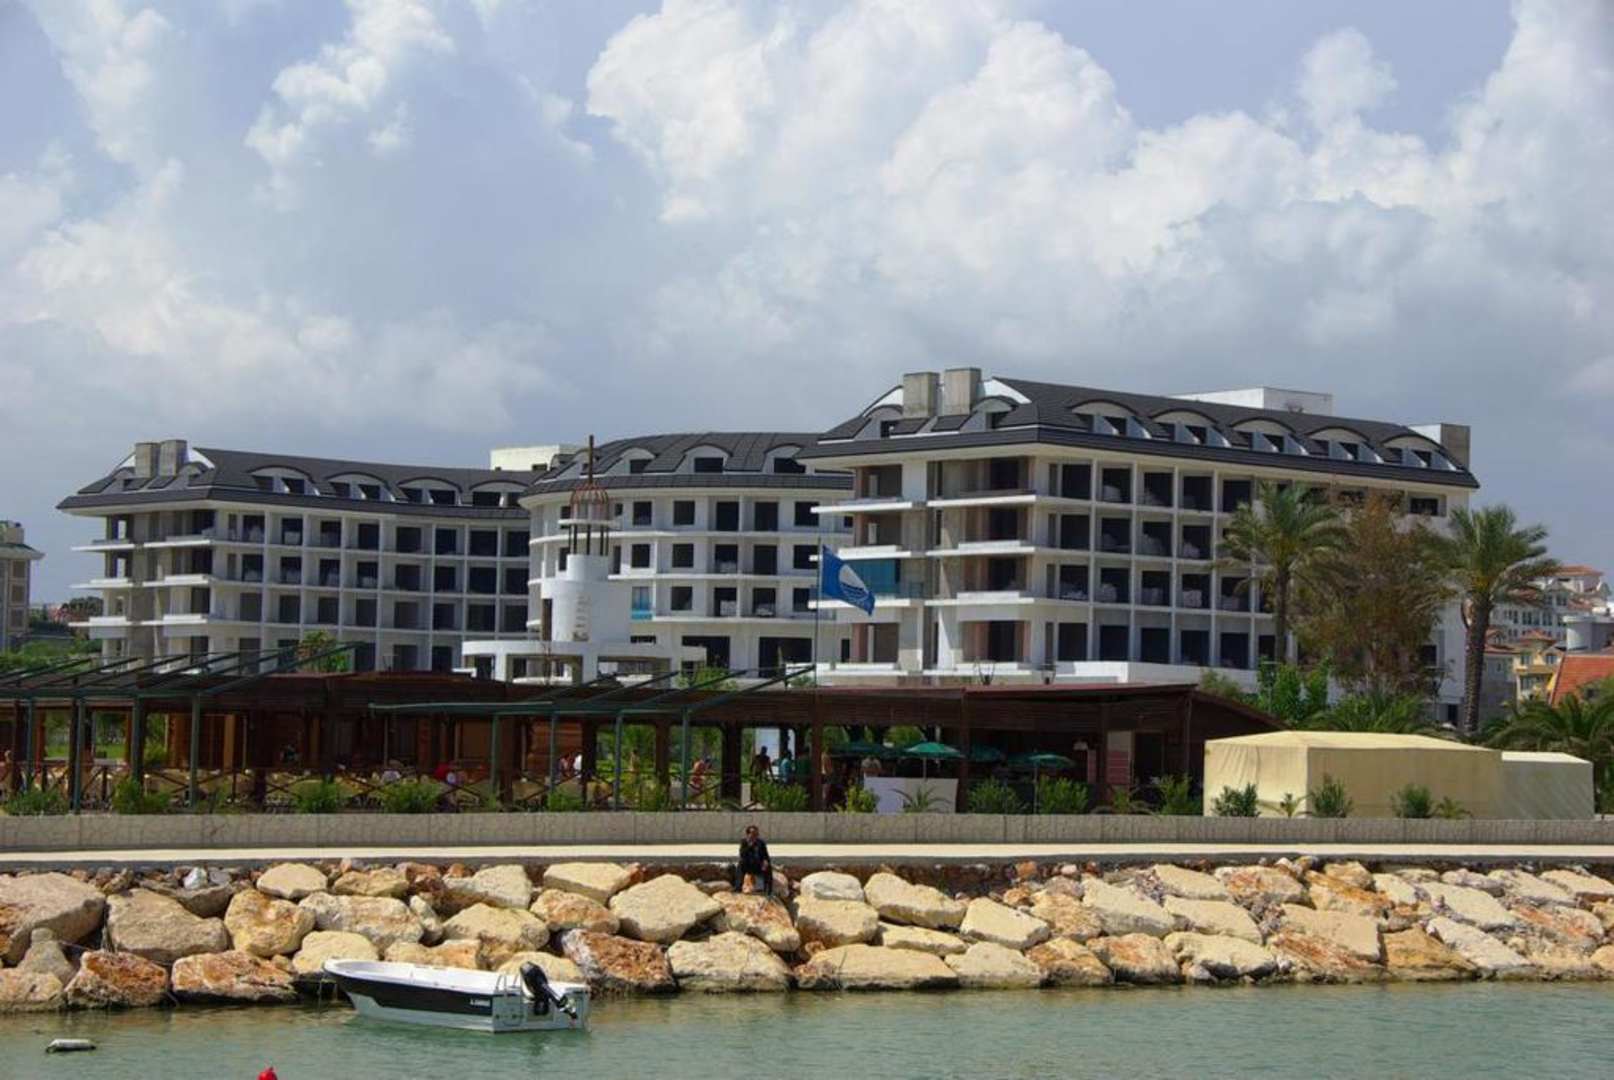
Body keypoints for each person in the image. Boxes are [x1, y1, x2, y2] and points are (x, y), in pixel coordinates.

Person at [737, 824, 772, 896]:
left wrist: (766, 862)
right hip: (748, 865)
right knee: (740, 864)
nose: (755, 836)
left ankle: (768, 890)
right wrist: (750, 846)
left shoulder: (761, 843)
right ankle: (738, 887)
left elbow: (766, 855)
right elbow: (742, 854)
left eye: (756, 834)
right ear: (748, 834)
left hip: (758, 865)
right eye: (753, 834)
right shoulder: (744, 842)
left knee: (768, 867)